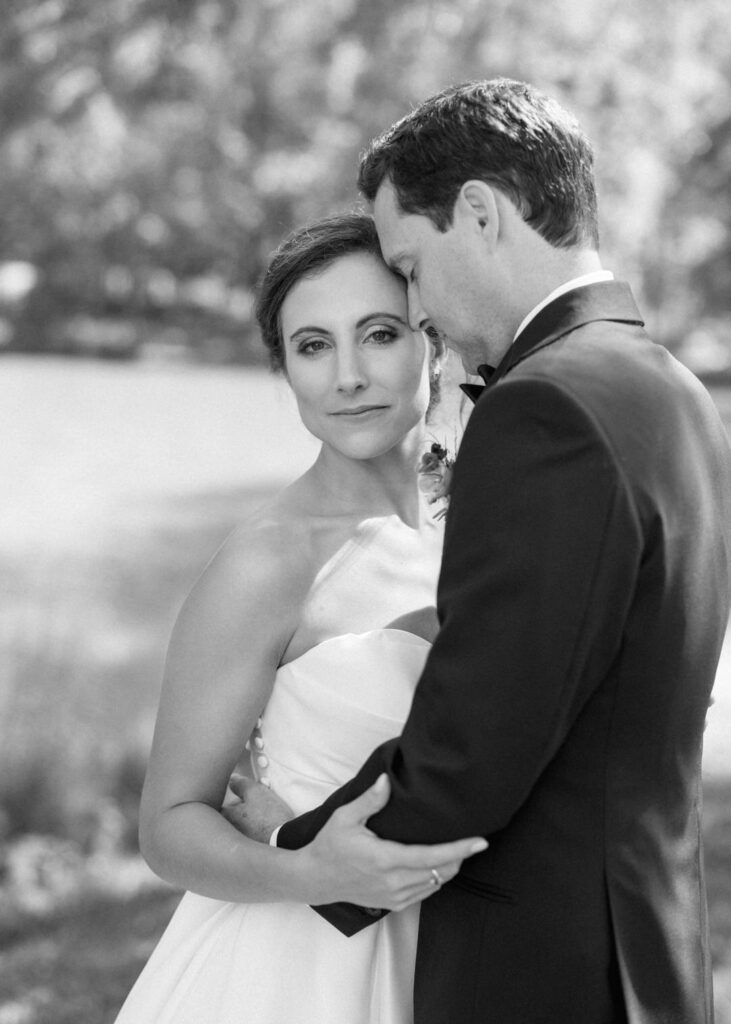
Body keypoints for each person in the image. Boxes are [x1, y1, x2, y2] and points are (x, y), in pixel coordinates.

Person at [235, 79, 731, 1023]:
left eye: (411, 268)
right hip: (645, 943)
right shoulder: (670, 389)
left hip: (544, 965)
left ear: (479, 213)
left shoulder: (542, 406)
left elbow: (480, 737)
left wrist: (298, 845)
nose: (416, 309)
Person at [113, 213, 487, 1024]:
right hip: (297, 970)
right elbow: (169, 825)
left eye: (378, 334)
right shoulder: (266, 563)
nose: (347, 375)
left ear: (433, 340)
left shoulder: (491, 523)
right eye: (312, 346)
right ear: (284, 369)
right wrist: (311, 871)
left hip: (472, 950)